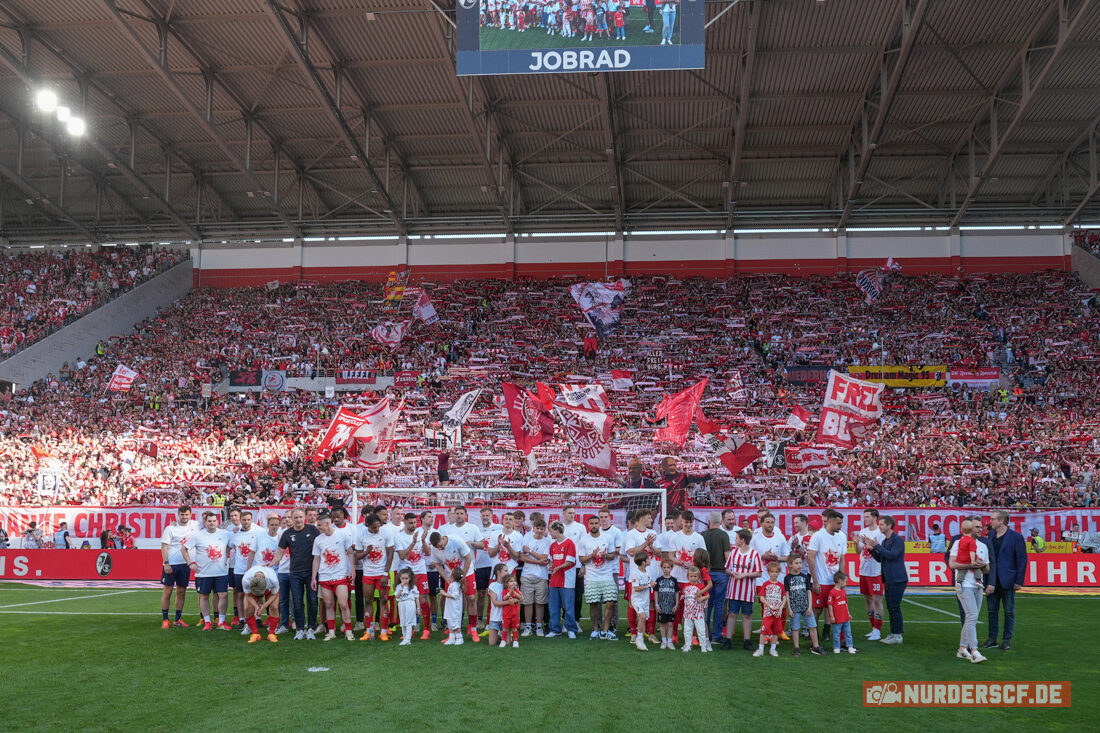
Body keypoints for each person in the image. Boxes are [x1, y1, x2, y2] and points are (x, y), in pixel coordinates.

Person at [269, 507, 320, 641]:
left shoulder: (313, 530)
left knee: (313, 601)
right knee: (297, 602)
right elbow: (280, 552)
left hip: (311, 572)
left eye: (300, 517)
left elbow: (322, 545)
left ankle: (311, 628)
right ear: (291, 519)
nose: (298, 520)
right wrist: (271, 563)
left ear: (304, 518)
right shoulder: (287, 534)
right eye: (295, 517)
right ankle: (300, 629)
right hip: (295, 573)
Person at [983, 509, 1027, 651]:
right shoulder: (990, 535)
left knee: (1009, 612)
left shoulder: (1016, 537)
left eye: (993, 519)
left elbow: (1022, 559)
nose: (990, 521)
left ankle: (1007, 640)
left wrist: (1019, 580)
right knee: (991, 611)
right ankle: (992, 639)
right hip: (991, 580)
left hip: (1008, 580)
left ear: (1002, 521)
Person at [181, 510, 232, 631]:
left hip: (221, 572)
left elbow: (230, 546)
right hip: (203, 573)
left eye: (214, 521)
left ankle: (221, 621)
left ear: (217, 522)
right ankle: (207, 622)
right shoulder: (198, 535)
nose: (212, 523)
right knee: (204, 596)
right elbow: (184, 549)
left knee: (223, 595)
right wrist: (190, 564)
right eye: (209, 521)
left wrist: (225, 555)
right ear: (205, 522)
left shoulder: (225, 534)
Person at [949, 519, 990, 663]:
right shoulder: (958, 542)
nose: (980, 529)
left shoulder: (983, 546)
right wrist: (970, 564)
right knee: (972, 615)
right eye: (976, 527)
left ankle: (962, 649)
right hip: (965, 584)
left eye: (981, 527)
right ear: (969, 528)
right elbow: (952, 564)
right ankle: (974, 651)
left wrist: (982, 565)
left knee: (971, 617)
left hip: (978, 585)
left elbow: (987, 569)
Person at [311, 512, 356, 641]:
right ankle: (331, 632)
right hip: (325, 576)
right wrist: (314, 577)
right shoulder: (318, 539)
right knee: (329, 604)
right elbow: (316, 559)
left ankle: (348, 631)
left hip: (340, 575)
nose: (318, 528)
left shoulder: (342, 535)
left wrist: (352, 569)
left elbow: (350, 553)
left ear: (327, 524)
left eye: (320, 525)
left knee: (343, 604)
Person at [429, 528, 476, 642]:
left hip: (466, 572)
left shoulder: (456, 540)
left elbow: (468, 558)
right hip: (451, 575)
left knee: (471, 598)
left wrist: (463, 576)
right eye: (437, 547)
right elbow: (437, 564)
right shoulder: (434, 549)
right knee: (449, 600)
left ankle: (473, 628)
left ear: (443, 538)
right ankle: (451, 629)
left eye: (441, 546)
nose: (440, 549)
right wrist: (446, 578)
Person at [866, 514, 907, 645]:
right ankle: (894, 633)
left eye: (882, 524)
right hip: (889, 578)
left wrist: (877, 546)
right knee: (890, 606)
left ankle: (897, 635)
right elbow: (881, 558)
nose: (879, 526)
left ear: (889, 525)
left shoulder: (897, 540)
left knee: (894, 606)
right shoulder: (885, 541)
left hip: (897, 578)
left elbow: (892, 555)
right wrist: (872, 550)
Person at [354, 513, 395, 641]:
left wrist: (385, 574)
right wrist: (366, 551)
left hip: (382, 573)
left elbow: (390, 554)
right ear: (367, 525)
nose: (377, 529)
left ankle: (383, 631)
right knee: (368, 601)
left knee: (383, 601)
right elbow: (357, 556)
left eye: (378, 526)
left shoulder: (386, 533)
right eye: (374, 527)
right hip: (368, 574)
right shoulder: (361, 535)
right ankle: (369, 630)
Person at [394, 512, 433, 639]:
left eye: (415, 522)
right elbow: (402, 556)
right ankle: (408, 629)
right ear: (405, 522)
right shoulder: (399, 536)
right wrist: (413, 543)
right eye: (410, 523)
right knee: (406, 600)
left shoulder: (421, 534)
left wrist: (423, 541)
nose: (413, 525)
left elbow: (428, 553)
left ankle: (426, 629)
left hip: (420, 570)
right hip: (406, 572)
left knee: (423, 599)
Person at [623, 508, 659, 644]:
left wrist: (652, 547)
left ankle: (651, 633)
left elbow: (659, 553)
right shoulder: (631, 534)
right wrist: (645, 544)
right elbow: (631, 552)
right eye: (649, 517)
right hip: (635, 575)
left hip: (651, 575)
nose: (651, 520)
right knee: (633, 603)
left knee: (651, 603)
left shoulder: (653, 533)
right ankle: (634, 633)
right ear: (642, 518)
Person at [578, 515, 617, 640]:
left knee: (611, 602)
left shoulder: (608, 537)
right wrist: (592, 555)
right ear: (588, 525)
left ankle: (605, 630)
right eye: (591, 523)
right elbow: (581, 559)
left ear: (600, 524)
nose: (594, 525)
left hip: (607, 576)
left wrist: (606, 555)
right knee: (593, 604)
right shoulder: (584, 540)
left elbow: (613, 555)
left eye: (596, 523)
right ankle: (595, 629)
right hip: (592, 578)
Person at [723, 528, 762, 651]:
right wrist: (733, 573)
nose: (735, 540)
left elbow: (759, 572)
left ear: (743, 540)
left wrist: (745, 575)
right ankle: (728, 640)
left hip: (747, 592)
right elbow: (727, 569)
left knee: (747, 615)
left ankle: (747, 641)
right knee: (732, 614)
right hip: (734, 590)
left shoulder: (754, 554)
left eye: (736, 538)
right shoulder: (733, 553)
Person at [806, 508, 846, 629]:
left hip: (834, 581)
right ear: (830, 522)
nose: (841, 526)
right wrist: (815, 581)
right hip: (821, 580)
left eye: (841, 523)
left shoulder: (842, 536)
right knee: (817, 609)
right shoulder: (818, 536)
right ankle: (813, 634)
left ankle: (827, 632)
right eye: (838, 523)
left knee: (832, 607)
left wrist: (842, 580)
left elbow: (842, 559)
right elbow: (810, 558)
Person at [159, 505, 197, 628]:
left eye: (186, 514)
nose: (184, 517)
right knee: (168, 591)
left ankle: (177, 619)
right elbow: (164, 546)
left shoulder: (195, 525)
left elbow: (210, 522)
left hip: (185, 564)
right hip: (172, 564)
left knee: (181, 592)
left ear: (190, 515)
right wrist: (166, 563)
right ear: (178, 515)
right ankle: (165, 619)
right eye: (182, 514)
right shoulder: (170, 529)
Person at [700, 510, 731, 645]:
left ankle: (706, 634)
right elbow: (727, 556)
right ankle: (717, 635)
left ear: (709, 521)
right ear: (721, 521)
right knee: (719, 604)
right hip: (720, 573)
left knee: (707, 604)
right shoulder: (724, 535)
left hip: (707, 573)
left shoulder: (703, 535)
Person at [855, 508, 885, 641]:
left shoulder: (880, 532)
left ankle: (878, 629)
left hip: (876, 572)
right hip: (863, 571)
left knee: (877, 600)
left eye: (867, 516)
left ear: (875, 517)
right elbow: (858, 551)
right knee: (868, 599)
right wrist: (856, 542)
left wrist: (872, 546)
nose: (865, 519)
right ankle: (873, 627)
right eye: (864, 516)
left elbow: (883, 551)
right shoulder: (863, 531)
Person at [228, 510, 261, 632]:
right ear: (240, 520)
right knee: (240, 594)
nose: (246, 522)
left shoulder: (259, 532)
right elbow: (228, 547)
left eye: (248, 520)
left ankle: (258, 618)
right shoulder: (235, 534)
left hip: (254, 569)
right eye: (244, 520)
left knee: (257, 594)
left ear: (252, 520)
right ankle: (242, 619)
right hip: (239, 570)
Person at [546, 520, 579, 639]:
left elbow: (570, 561)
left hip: (567, 581)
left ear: (557, 530)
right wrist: (551, 566)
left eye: (551, 531)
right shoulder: (553, 545)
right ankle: (555, 630)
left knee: (568, 607)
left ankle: (571, 629)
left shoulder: (569, 543)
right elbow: (551, 561)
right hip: (554, 580)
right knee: (553, 607)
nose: (549, 533)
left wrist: (558, 568)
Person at [518, 518, 551, 637]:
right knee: (527, 602)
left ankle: (539, 626)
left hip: (542, 576)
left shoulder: (547, 541)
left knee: (540, 603)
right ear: (534, 528)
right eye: (538, 528)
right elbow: (522, 557)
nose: (540, 531)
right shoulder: (526, 537)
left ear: (545, 529)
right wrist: (538, 561)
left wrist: (531, 551)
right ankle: (528, 626)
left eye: (542, 529)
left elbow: (545, 558)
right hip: (527, 575)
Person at [785, 555, 823, 656]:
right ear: (790, 565)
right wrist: (789, 609)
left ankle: (816, 646)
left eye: (800, 563)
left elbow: (809, 592)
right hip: (794, 608)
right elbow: (787, 594)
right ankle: (796, 647)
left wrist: (810, 606)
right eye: (796, 563)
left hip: (806, 607)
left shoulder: (805, 577)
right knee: (795, 628)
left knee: (813, 626)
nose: (799, 565)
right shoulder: (787, 578)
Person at [239, 563, 280, 643]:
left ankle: (272, 634)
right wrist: (256, 607)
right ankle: (255, 634)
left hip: (270, 590)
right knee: (247, 608)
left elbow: (274, 595)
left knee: (274, 607)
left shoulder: (273, 579)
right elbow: (248, 595)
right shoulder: (246, 580)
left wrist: (264, 606)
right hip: (253, 591)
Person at [753, 561, 785, 658]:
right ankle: (760, 649)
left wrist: (780, 609)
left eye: (776, 572)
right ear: (768, 572)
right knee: (764, 631)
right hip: (768, 613)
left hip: (777, 613)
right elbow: (762, 597)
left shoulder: (781, 585)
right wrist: (770, 606)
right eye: (772, 572)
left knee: (776, 632)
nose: (774, 574)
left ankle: (773, 649)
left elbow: (784, 598)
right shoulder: (765, 584)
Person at [680, 566, 711, 653]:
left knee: (701, 630)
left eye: (695, 576)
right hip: (688, 612)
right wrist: (683, 596)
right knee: (687, 630)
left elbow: (708, 595)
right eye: (691, 576)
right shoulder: (686, 585)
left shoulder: (701, 586)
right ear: (688, 576)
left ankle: (703, 646)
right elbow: (685, 594)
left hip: (698, 612)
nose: (693, 578)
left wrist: (702, 598)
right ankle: (688, 645)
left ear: (699, 577)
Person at [827, 571, 858, 654]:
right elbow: (830, 605)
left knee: (848, 633)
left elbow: (845, 603)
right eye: (846, 581)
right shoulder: (832, 592)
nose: (846, 583)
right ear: (840, 581)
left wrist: (848, 613)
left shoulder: (843, 591)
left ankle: (850, 646)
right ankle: (837, 647)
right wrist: (832, 616)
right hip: (837, 619)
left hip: (845, 618)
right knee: (836, 634)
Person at [630, 554, 655, 651]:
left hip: (645, 600)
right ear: (643, 562)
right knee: (643, 616)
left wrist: (653, 583)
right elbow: (636, 588)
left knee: (643, 619)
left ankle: (641, 641)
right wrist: (649, 585)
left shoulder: (647, 571)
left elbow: (650, 581)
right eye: (648, 559)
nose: (650, 560)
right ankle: (639, 639)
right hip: (637, 600)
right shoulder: (635, 573)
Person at [654, 559, 678, 650]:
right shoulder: (659, 580)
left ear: (671, 568)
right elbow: (656, 592)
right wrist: (656, 604)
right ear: (661, 568)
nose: (666, 569)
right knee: (662, 624)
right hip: (661, 607)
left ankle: (670, 641)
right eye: (664, 567)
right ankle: (664, 641)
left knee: (670, 624)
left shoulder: (674, 580)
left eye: (668, 567)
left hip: (671, 607)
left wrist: (676, 604)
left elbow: (676, 592)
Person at [394, 568, 421, 645]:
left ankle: (408, 639)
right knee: (403, 622)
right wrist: (401, 589)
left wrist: (418, 608)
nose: (404, 580)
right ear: (400, 578)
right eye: (403, 578)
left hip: (410, 603)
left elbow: (417, 597)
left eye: (406, 578)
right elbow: (397, 596)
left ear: (410, 578)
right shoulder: (398, 586)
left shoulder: (413, 587)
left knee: (408, 621)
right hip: (401, 604)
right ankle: (405, 637)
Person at [441, 567, 466, 645]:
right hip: (450, 608)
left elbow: (455, 595)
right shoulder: (453, 584)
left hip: (454, 609)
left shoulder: (455, 585)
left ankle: (459, 638)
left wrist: (444, 594)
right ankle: (451, 638)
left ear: (453, 576)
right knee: (450, 623)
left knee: (455, 624)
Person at [486, 563, 509, 646]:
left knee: (508, 643)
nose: (508, 573)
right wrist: (508, 602)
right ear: (498, 572)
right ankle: (499, 635)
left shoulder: (509, 585)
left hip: (506, 617)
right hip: (495, 618)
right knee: (492, 643)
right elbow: (495, 603)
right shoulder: (493, 585)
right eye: (505, 571)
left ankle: (501, 635)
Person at [501, 574, 523, 647]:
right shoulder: (505, 591)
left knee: (514, 628)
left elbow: (520, 597)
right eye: (511, 581)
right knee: (505, 628)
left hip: (515, 613)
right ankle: (503, 640)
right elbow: (504, 598)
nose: (513, 583)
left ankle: (515, 641)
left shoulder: (516, 591)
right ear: (506, 584)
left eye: (514, 581)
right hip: (506, 614)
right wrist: (510, 592)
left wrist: (514, 592)